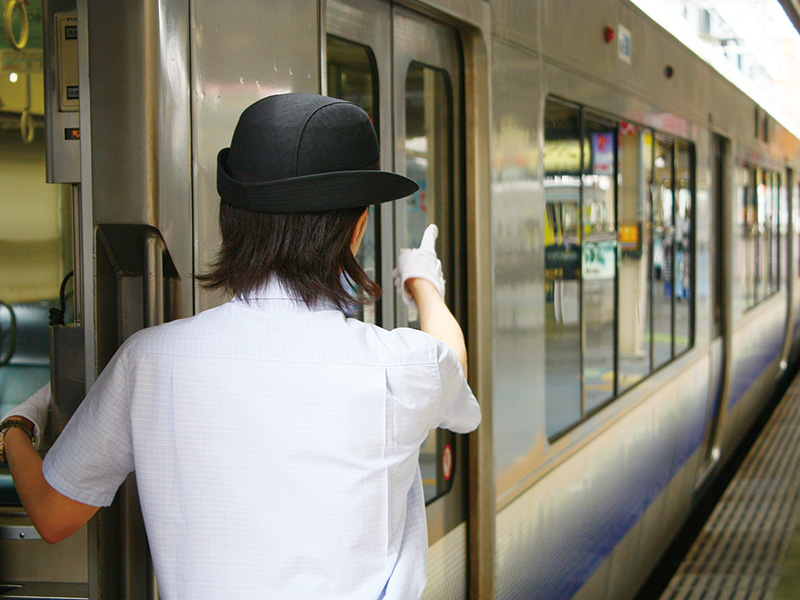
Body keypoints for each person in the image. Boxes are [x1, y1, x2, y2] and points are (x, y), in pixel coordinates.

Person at [0, 93, 480, 600]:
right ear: (355, 229)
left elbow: (52, 515)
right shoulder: (400, 366)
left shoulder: (149, 362)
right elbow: (451, 361)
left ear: (231, 220)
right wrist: (423, 283)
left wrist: (14, 428)